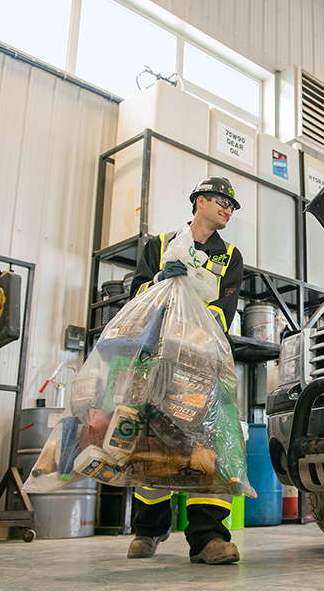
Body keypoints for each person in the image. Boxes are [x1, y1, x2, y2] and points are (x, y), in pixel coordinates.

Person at [127, 176, 244, 565]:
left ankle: (208, 537)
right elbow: (137, 298)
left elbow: (223, 313)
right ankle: (148, 528)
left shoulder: (230, 256)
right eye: (222, 201)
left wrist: (187, 317)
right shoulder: (159, 245)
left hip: (202, 360)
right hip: (158, 359)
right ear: (199, 202)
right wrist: (160, 282)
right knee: (153, 441)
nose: (228, 209)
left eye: (231, 205)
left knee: (206, 443)